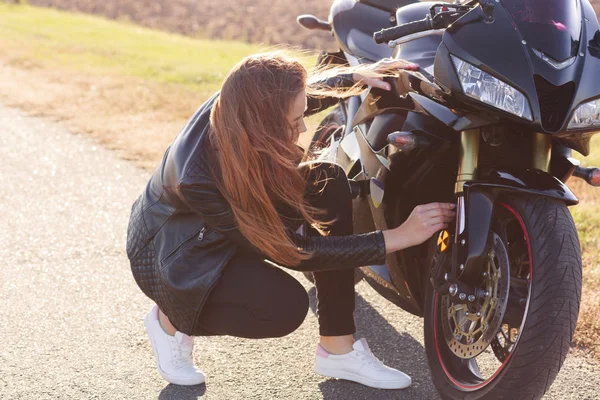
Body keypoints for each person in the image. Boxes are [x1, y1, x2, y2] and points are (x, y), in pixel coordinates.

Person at [125, 52, 456, 390]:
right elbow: (295, 251)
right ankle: (170, 319)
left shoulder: (240, 106)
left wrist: (358, 76)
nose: (302, 127)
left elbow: (299, 97)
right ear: (263, 123)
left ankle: (338, 347)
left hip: (222, 229)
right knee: (282, 308)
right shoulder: (197, 180)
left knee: (326, 181)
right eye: (293, 121)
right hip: (177, 256)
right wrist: (397, 237)